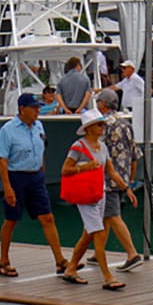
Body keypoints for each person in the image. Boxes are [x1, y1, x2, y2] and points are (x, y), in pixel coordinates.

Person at [58, 109, 135, 290]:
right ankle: (108, 277)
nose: (103, 127)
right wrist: (84, 167)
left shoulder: (103, 147)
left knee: (88, 234)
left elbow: (111, 171)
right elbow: (65, 170)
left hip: (99, 194)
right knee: (99, 234)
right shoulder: (78, 147)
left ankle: (70, 269)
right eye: (100, 124)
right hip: (85, 197)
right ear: (90, 128)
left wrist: (126, 188)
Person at [0, 93, 70, 277]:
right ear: (22, 109)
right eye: (34, 107)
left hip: (36, 177)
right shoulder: (8, 130)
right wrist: (7, 187)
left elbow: (42, 146)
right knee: (11, 220)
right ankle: (3, 261)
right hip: (16, 177)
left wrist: (41, 170)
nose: (38, 110)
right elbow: (2, 160)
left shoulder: (39, 126)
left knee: (47, 218)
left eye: (38, 107)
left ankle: (60, 260)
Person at [91, 89, 142, 272]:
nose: (97, 105)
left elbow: (97, 151)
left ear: (103, 104)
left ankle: (132, 253)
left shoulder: (103, 125)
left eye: (98, 102)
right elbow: (135, 154)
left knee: (113, 215)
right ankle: (99, 252)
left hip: (108, 178)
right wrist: (131, 180)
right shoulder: (125, 124)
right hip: (124, 177)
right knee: (105, 215)